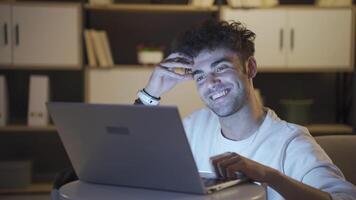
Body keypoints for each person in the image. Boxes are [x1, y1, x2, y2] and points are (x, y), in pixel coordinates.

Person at [134, 20, 356, 200]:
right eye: (199, 76)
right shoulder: (194, 126)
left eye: (220, 68)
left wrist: (269, 177)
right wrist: (150, 93)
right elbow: (134, 159)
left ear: (250, 67)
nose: (210, 83)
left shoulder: (291, 142)